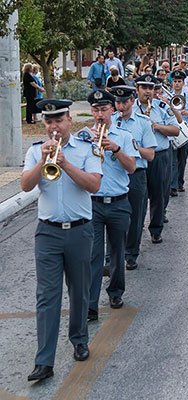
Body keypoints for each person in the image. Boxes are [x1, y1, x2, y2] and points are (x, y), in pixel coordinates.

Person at [22, 99, 102, 381]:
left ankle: (79, 339)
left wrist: (65, 163)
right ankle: (44, 361)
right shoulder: (36, 152)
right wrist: (44, 160)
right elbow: (25, 185)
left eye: (58, 120)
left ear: (70, 120)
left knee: (79, 290)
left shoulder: (86, 149)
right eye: (49, 122)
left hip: (80, 230)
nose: (54, 127)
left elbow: (94, 184)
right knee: (47, 296)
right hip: (48, 231)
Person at [86, 89, 138, 319]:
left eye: (104, 109)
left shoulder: (124, 136)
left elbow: (132, 168)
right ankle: (90, 303)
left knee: (117, 252)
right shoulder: (83, 137)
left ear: (112, 109)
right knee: (94, 255)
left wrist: (115, 148)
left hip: (118, 202)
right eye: (96, 110)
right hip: (93, 204)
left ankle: (115, 292)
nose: (100, 114)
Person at [111, 85, 157, 271]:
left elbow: (150, 155)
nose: (121, 106)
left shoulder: (143, 123)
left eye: (124, 102)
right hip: (115, 173)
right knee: (114, 215)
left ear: (132, 101)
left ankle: (131, 253)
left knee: (136, 216)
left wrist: (130, 147)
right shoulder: (110, 121)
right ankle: (114, 253)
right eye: (118, 102)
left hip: (136, 174)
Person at [133, 74, 179, 244]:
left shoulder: (161, 107)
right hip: (138, 157)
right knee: (138, 196)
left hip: (159, 156)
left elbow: (176, 130)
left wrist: (157, 126)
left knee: (159, 194)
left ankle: (156, 228)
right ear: (137, 89)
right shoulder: (132, 109)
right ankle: (136, 230)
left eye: (151, 88)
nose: (148, 91)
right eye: (144, 88)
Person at [169, 70, 188, 194]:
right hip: (172, 129)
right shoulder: (168, 96)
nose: (176, 84)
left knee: (182, 158)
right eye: (175, 81)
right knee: (173, 159)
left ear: (183, 83)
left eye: (179, 81)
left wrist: (186, 113)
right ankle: (173, 185)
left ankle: (180, 182)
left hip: (184, 130)